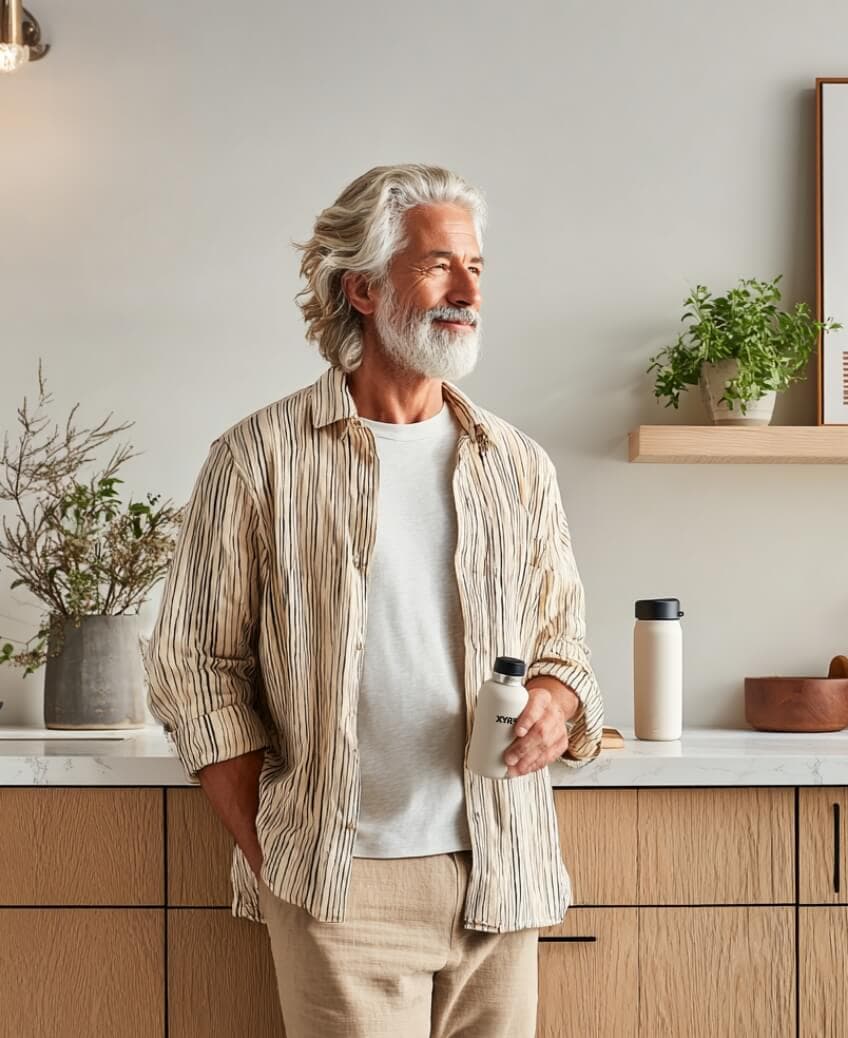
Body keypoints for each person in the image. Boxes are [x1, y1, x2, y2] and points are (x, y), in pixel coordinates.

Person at [144, 163, 604, 1037]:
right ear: (361, 287)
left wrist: (557, 698)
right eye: (438, 265)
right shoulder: (260, 459)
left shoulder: (516, 464)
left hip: (502, 869)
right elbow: (192, 667)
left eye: (475, 267)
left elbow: (564, 642)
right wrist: (272, 850)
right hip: (339, 882)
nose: (468, 289)